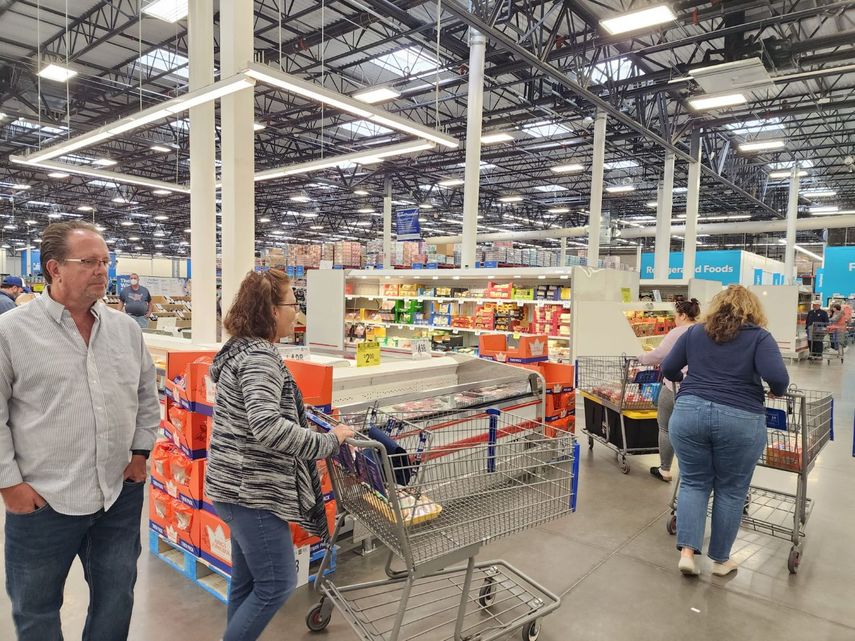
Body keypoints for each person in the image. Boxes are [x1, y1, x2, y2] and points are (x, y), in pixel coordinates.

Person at [0, 221, 160, 640]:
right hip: (44, 501)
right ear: (54, 268)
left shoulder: (125, 330)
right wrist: (9, 485)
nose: (102, 271)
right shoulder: (12, 332)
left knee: (116, 600)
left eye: (105, 261)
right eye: (89, 262)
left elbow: (146, 396)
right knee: (36, 612)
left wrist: (141, 454)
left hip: (117, 496)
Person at [205, 269, 354, 641]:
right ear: (270, 310)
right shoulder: (259, 359)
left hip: (233, 488)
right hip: (252, 492)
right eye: (292, 303)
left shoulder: (239, 350)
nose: (296, 312)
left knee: (246, 582)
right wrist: (328, 441)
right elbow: (267, 426)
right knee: (277, 584)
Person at [662, 285, 788, 578]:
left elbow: (668, 368)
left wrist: (688, 380)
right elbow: (778, 378)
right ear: (753, 310)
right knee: (731, 490)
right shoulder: (759, 337)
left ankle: (687, 553)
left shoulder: (695, 333)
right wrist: (776, 391)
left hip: (689, 413)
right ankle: (720, 560)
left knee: (693, 482)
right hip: (740, 418)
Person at [638, 298, 701, 482]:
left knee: (665, 427)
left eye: (675, 315)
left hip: (674, 386)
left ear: (682, 315)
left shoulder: (677, 333)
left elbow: (659, 355)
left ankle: (665, 469)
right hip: (697, 389)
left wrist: (641, 357)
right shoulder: (703, 330)